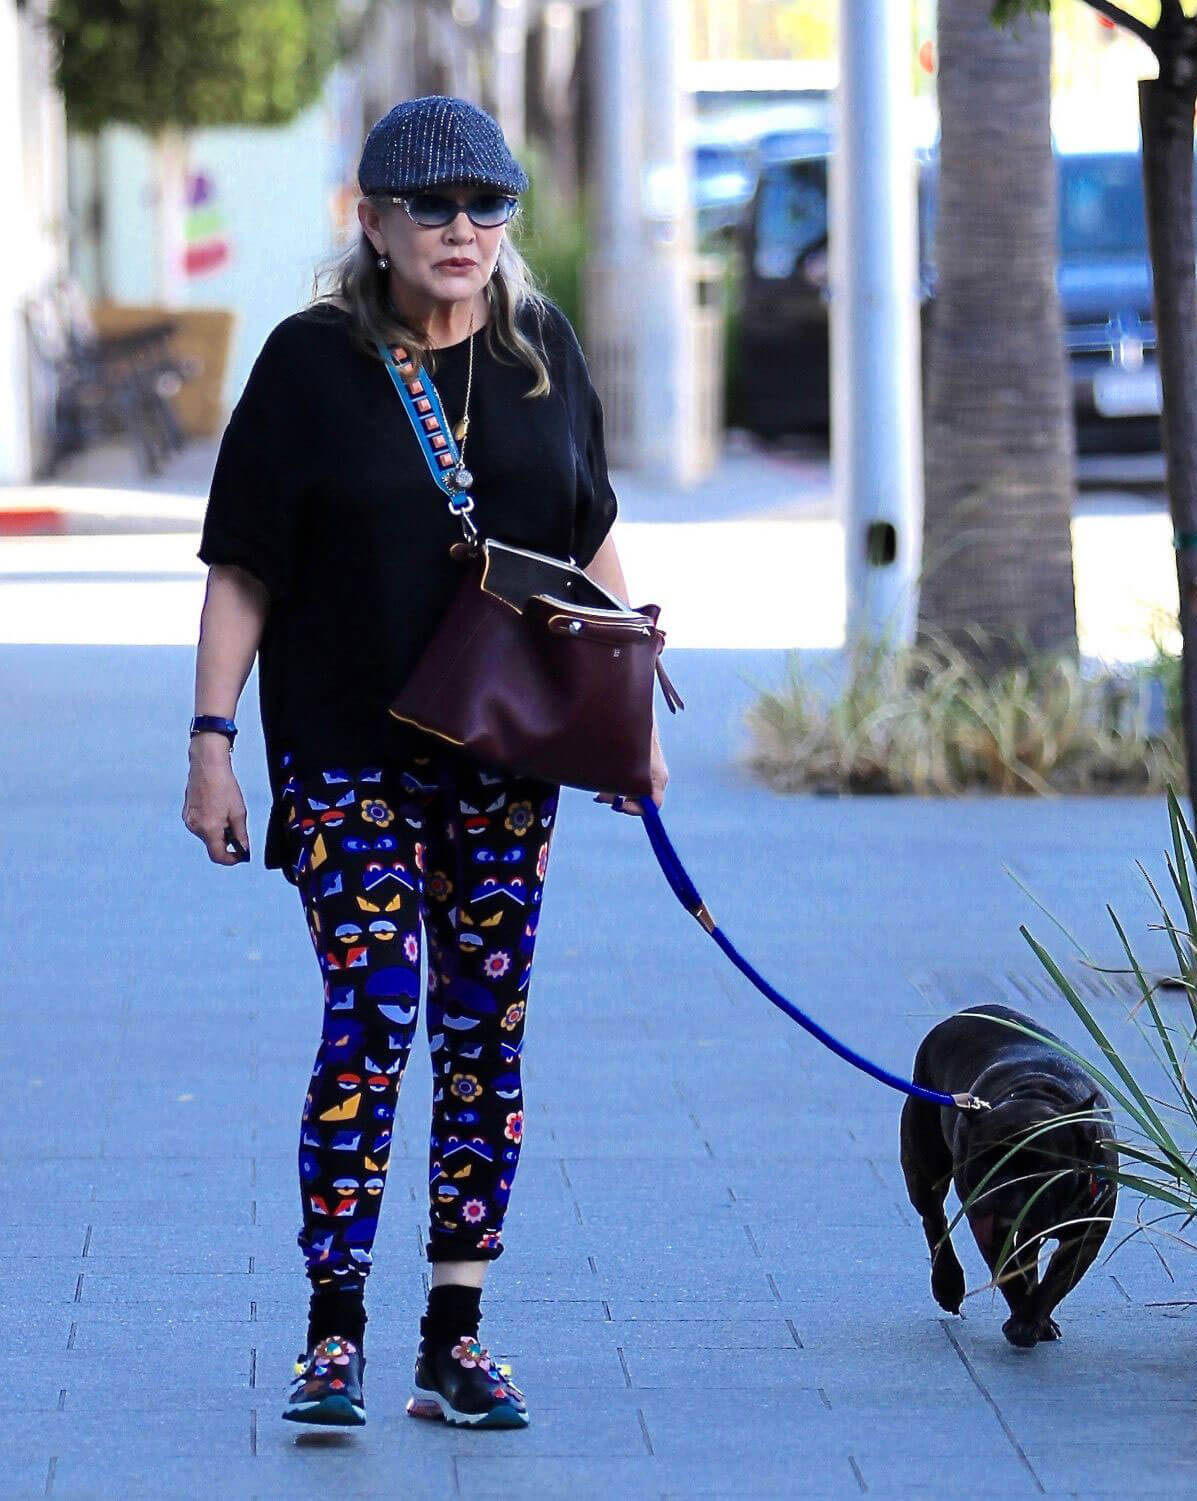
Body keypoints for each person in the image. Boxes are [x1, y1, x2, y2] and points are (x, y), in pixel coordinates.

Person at [182, 95, 669, 1432]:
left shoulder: (541, 352)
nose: (466, 229)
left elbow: (591, 543)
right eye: (434, 206)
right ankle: (333, 1329)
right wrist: (212, 745)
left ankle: (454, 1335)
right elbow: (243, 570)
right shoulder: (307, 367)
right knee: (376, 1008)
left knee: (484, 1036)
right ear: (374, 220)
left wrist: (630, 719)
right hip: (345, 758)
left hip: (504, 762)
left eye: (488, 205)